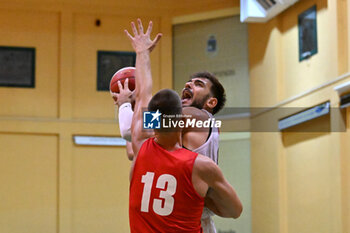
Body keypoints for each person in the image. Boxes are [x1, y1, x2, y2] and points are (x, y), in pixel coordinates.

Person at [126, 19, 242, 232]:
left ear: (211, 102)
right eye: (189, 82)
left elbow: (146, 121)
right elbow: (136, 143)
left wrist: (128, 108)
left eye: (199, 84)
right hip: (182, 208)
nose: (189, 84)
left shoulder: (198, 116)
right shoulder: (187, 125)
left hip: (194, 218)